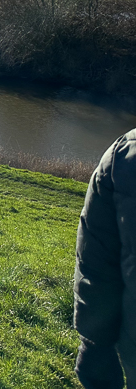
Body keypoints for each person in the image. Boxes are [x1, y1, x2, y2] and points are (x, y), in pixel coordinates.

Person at [74, 129, 136, 388]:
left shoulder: (125, 153)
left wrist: (94, 344)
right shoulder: (124, 154)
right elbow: (99, 262)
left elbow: (97, 263)